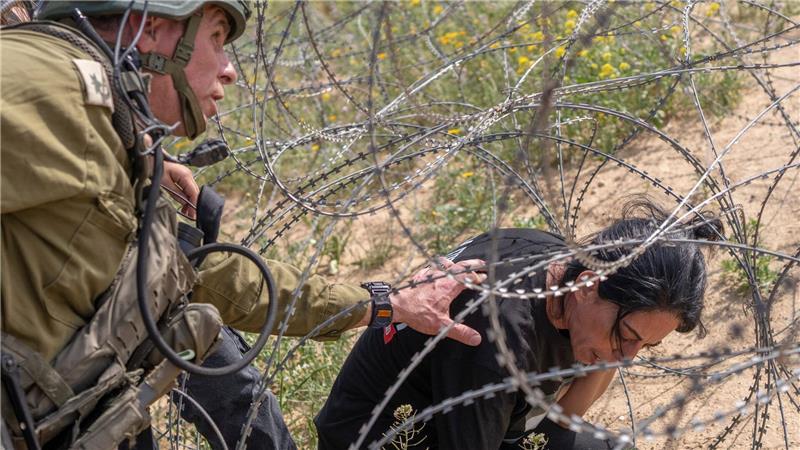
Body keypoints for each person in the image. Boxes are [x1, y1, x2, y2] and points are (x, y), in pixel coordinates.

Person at [0, 2, 485, 449]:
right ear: (152, 29)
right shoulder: (56, 90)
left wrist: (384, 304)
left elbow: (203, 276)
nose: (229, 69)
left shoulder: (108, 122)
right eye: (215, 37)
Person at [315, 200, 722, 449]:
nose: (628, 357)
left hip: (483, 422)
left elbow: (561, 419)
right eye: (628, 336)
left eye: (644, 347)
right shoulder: (494, 341)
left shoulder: (563, 274)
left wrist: (612, 349)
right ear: (586, 286)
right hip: (388, 437)